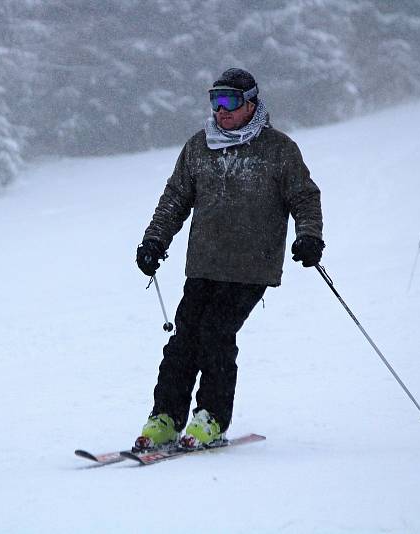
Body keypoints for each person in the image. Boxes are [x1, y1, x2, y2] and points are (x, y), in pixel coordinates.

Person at [134, 68, 325, 451]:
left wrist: (309, 236)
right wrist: (154, 240)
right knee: (183, 340)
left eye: (230, 101)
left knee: (216, 334)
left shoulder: (278, 150)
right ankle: (166, 418)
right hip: (205, 263)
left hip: (251, 266)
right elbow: (175, 199)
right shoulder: (199, 147)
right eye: (215, 100)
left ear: (251, 103)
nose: (221, 110)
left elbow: (304, 196)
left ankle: (211, 419)